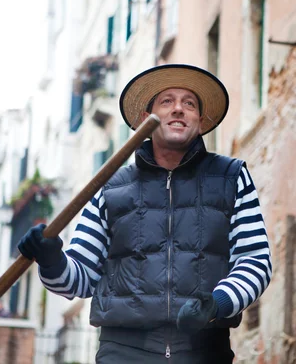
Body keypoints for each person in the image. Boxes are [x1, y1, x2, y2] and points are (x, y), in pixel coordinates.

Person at [18, 64, 272, 363]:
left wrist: (215, 304)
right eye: (167, 101)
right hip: (122, 353)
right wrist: (51, 260)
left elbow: (255, 261)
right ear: (145, 120)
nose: (178, 109)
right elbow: (78, 279)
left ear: (200, 122)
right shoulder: (108, 185)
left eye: (189, 104)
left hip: (205, 350)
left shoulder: (232, 176)